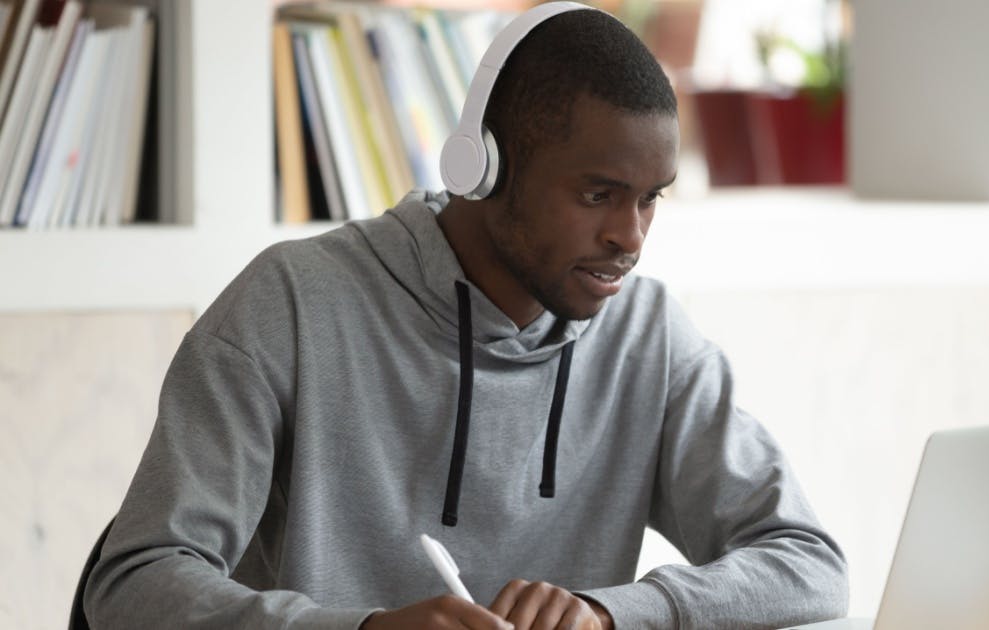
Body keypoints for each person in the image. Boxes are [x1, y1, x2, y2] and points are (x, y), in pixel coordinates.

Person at [84, 5, 848, 629]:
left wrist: (610, 613)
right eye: (598, 195)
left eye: (651, 199)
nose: (631, 237)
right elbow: (133, 583)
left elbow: (810, 564)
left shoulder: (650, 340)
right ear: (482, 167)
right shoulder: (289, 305)